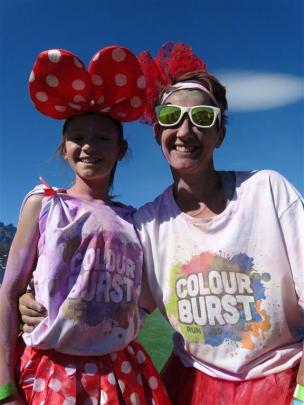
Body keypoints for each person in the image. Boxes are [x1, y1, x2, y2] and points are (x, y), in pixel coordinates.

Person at [19, 42, 304, 405]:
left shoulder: (268, 190)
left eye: (202, 119)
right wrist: (32, 299)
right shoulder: (147, 224)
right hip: (192, 384)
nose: (185, 131)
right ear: (157, 135)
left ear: (220, 134)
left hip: (281, 381)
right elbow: (112, 303)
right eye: (171, 118)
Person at [0, 46, 169, 405]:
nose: (89, 146)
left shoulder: (133, 220)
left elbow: (149, 292)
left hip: (122, 370)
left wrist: (128, 316)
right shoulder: (44, 203)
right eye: (78, 136)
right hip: (52, 370)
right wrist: (3, 385)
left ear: (121, 150)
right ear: (64, 149)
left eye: (103, 138)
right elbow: (8, 292)